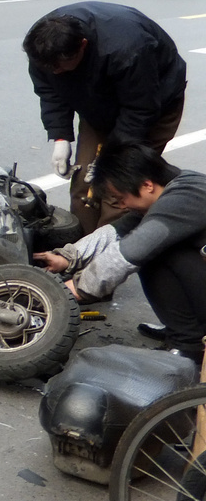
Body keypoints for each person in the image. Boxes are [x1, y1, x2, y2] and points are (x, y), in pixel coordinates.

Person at [34, 141, 206, 363]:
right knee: (147, 241)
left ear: (147, 185)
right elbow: (118, 230)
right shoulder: (169, 190)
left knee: (152, 253)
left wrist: (75, 289)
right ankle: (184, 328)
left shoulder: (186, 198)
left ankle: (188, 347)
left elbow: (132, 250)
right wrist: (68, 257)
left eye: (122, 198)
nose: (122, 206)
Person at [23, 2, 187, 234]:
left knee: (117, 190)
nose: (56, 72)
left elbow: (140, 109)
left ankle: (109, 254)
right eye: (51, 69)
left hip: (153, 105)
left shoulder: (128, 47)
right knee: (83, 184)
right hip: (97, 102)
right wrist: (60, 137)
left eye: (61, 67)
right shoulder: (43, 47)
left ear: (83, 45)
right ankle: (78, 250)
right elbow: (50, 91)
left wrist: (110, 157)